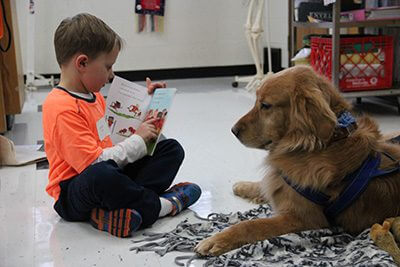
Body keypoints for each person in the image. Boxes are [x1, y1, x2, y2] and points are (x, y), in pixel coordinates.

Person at [42, 13, 201, 238]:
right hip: (74, 190)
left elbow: (115, 138)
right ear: (82, 63)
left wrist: (148, 107)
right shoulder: (60, 106)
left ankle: (114, 211)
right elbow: (95, 164)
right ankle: (162, 206)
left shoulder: (93, 96)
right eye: (108, 66)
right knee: (102, 175)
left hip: (110, 170)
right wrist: (138, 139)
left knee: (170, 149)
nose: (111, 74)